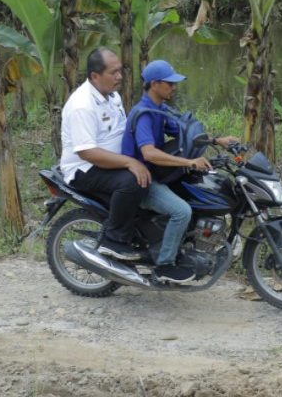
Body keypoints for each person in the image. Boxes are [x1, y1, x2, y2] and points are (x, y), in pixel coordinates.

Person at [121, 60, 239, 283]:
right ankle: (165, 265)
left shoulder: (160, 109)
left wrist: (216, 140)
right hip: (141, 179)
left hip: (156, 173)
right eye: (169, 83)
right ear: (154, 84)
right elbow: (149, 154)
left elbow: (185, 133)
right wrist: (188, 161)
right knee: (181, 211)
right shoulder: (144, 114)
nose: (174, 88)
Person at [60, 48, 151, 261]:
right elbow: (87, 152)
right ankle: (115, 242)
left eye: (120, 71)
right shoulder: (82, 105)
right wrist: (130, 162)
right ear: (95, 76)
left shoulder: (112, 96)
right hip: (85, 169)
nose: (119, 77)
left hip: (108, 162)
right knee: (132, 182)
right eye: (114, 73)